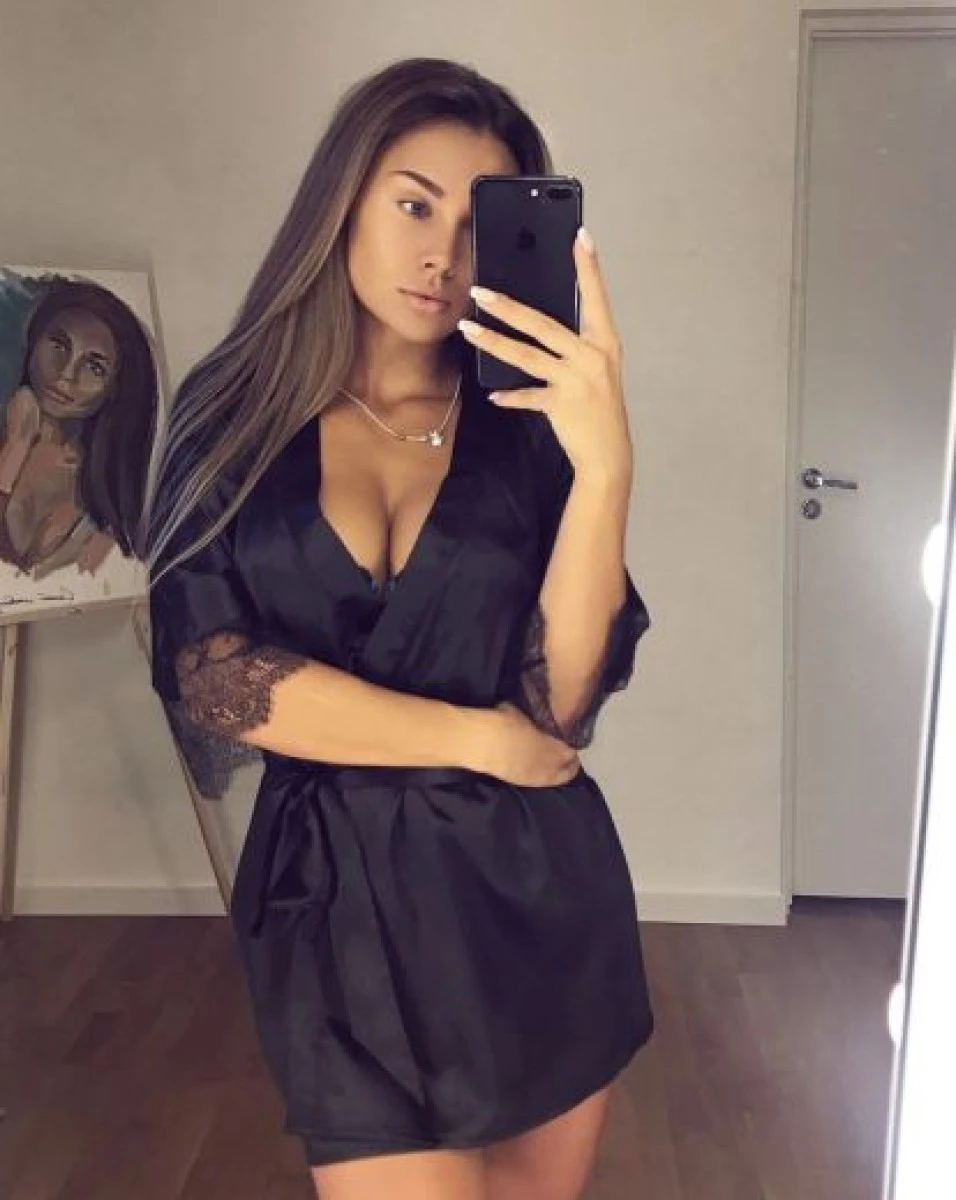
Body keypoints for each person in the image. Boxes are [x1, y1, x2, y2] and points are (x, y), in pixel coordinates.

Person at [143, 56, 654, 1200]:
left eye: (478, 225)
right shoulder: (228, 417)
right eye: (414, 205)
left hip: (534, 890)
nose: (443, 256)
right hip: (334, 907)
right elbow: (218, 678)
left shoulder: (526, 429)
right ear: (343, 200)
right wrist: (474, 739)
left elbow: (563, 700)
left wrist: (605, 464)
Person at [0, 277, 158, 579]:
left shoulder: (110, 486)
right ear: (33, 341)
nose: (66, 374)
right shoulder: (12, 434)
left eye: (94, 367)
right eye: (59, 345)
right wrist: (17, 445)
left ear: (114, 387)